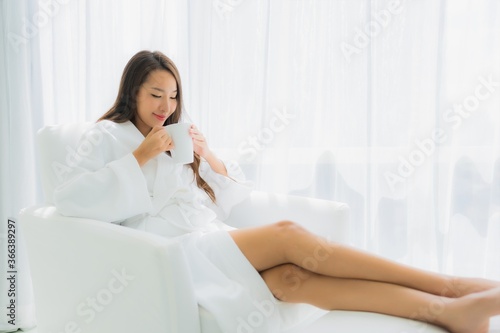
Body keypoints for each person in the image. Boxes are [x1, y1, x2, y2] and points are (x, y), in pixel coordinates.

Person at [54, 50, 500, 333]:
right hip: (169, 253)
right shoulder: (106, 137)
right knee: (287, 233)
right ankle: (450, 285)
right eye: (156, 95)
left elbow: (217, 199)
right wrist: (140, 157)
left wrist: (210, 160)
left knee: (291, 280)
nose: (166, 107)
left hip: (204, 239)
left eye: (173, 97)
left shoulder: (175, 135)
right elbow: (70, 199)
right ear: (132, 91)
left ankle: (445, 310)